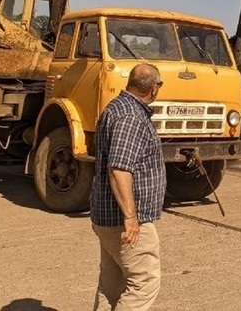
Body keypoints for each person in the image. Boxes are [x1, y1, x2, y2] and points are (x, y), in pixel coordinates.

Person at [90, 63, 167, 311]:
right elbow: (119, 169)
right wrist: (131, 217)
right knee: (144, 282)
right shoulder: (131, 117)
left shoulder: (117, 107)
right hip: (124, 221)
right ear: (154, 88)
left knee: (112, 284)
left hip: (108, 216)